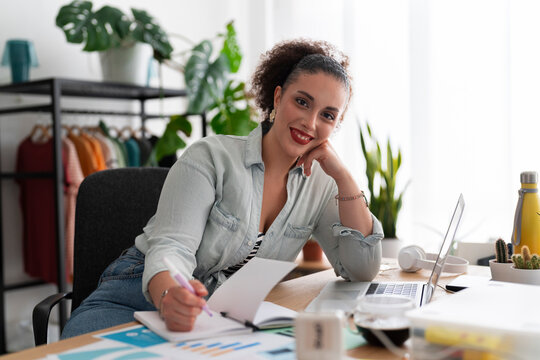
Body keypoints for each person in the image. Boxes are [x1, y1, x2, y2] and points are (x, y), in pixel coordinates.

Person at [61, 38, 384, 338]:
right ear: (277, 97)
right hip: (141, 294)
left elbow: (360, 269)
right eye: (302, 102)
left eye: (327, 115)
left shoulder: (323, 183)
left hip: (220, 315)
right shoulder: (211, 157)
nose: (310, 123)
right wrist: (171, 295)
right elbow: (172, 247)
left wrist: (344, 177)